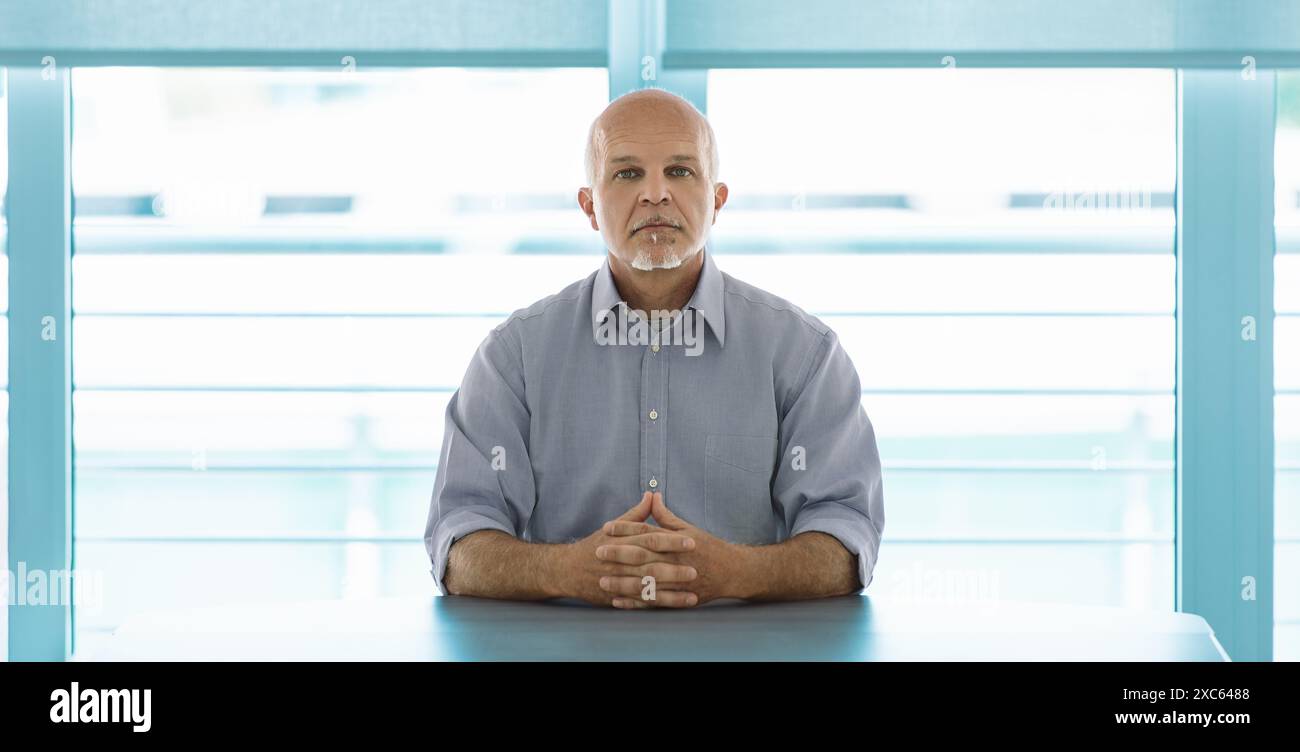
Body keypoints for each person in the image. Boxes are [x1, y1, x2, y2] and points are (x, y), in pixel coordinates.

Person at [424, 87, 884, 608]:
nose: (656, 194)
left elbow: (848, 543)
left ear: (716, 200)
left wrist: (734, 573)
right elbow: (458, 545)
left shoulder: (806, 355)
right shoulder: (514, 359)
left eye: (681, 172)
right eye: (626, 174)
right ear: (590, 206)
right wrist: (569, 571)